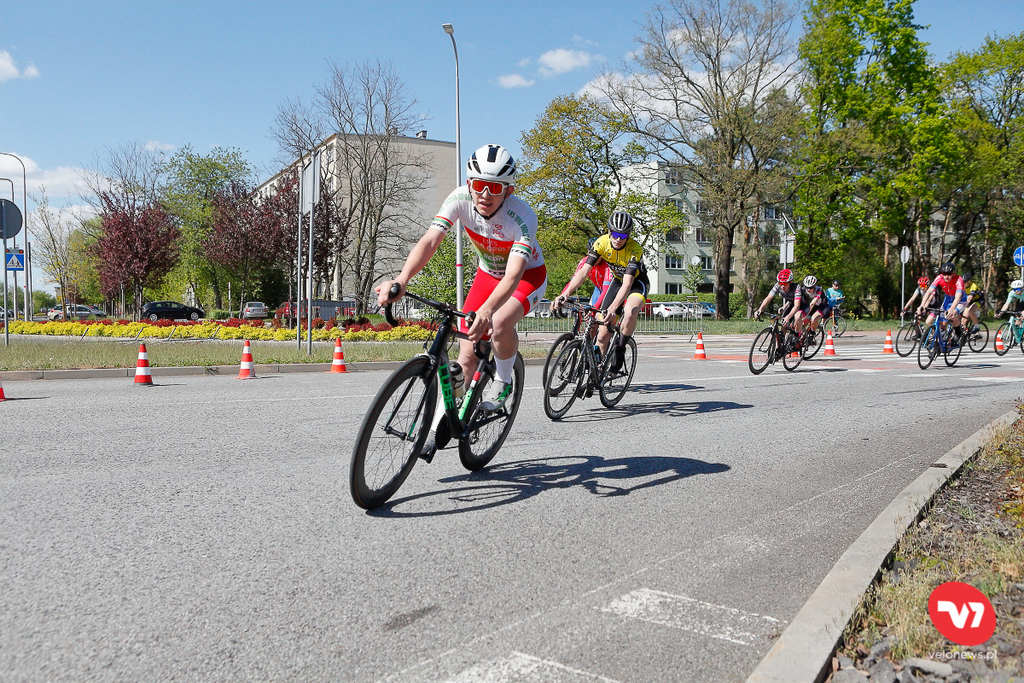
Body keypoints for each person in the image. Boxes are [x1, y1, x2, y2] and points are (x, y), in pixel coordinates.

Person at [376, 143, 546, 415]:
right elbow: (430, 240)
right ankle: (449, 420)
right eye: (479, 185)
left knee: (500, 322)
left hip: (527, 276)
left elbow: (513, 275)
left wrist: (488, 311)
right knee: (466, 355)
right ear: (469, 184)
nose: (485, 195)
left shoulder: (523, 216)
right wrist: (403, 279)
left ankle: (503, 380)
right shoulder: (459, 199)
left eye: (495, 187)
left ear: (509, 190)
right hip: (487, 274)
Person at [552, 211, 649, 372]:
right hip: (617, 281)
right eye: (615, 234)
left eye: (623, 236)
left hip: (636, 284)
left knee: (630, 311)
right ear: (609, 231)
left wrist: (613, 308)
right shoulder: (601, 243)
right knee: (603, 332)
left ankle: (620, 348)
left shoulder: (634, 249)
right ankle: (595, 374)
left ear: (629, 236)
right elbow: (583, 272)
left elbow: (627, 284)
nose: (618, 239)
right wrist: (565, 294)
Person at [754, 268, 804, 335]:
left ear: (790, 282)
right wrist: (760, 309)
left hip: (802, 305)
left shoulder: (796, 288)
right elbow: (768, 298)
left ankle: (797, 335)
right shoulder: (777, 286)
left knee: (797, 317)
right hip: (791, 304)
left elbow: (797, 306)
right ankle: (781, 340)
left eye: (785, 283)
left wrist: (788, 317)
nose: (782, 286)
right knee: (784, 326)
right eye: (780, 283)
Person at [917, 262, 964, 330]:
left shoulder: (959, 279)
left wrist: (952, 309)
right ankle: (942, 334)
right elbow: (929, 292)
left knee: (952, 315)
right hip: (948, 298)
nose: (946, 276)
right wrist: (922, 305)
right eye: (944, 274)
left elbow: (958, 297)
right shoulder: (939, 278)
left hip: (961, 301)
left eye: (949, 274)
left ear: (954, 273)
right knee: (942, 322)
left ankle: (958, 332)